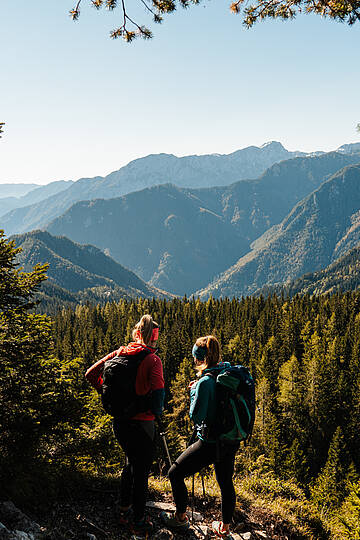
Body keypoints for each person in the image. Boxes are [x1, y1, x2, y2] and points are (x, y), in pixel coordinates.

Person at [85, 314, 164, 535]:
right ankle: (138, 522)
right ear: (153, 338)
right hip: (142, 424)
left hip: (119, 422)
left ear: (136, 333)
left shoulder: (119, 352)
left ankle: (123, 509)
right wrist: (156, 414)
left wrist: (106, 393)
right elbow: (158, 394)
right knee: (141, 472)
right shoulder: (153, 359)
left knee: (130, 464)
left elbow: (90, 374)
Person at [161, 335, 239, 538]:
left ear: (199, 358)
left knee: (175, 473)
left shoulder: (204, 381)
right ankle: (225, 527)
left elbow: (196, 415)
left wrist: (194, 392)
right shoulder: (225, 371)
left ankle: (180, 518)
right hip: (229, 440)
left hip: (210, 442)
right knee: (225, 481)